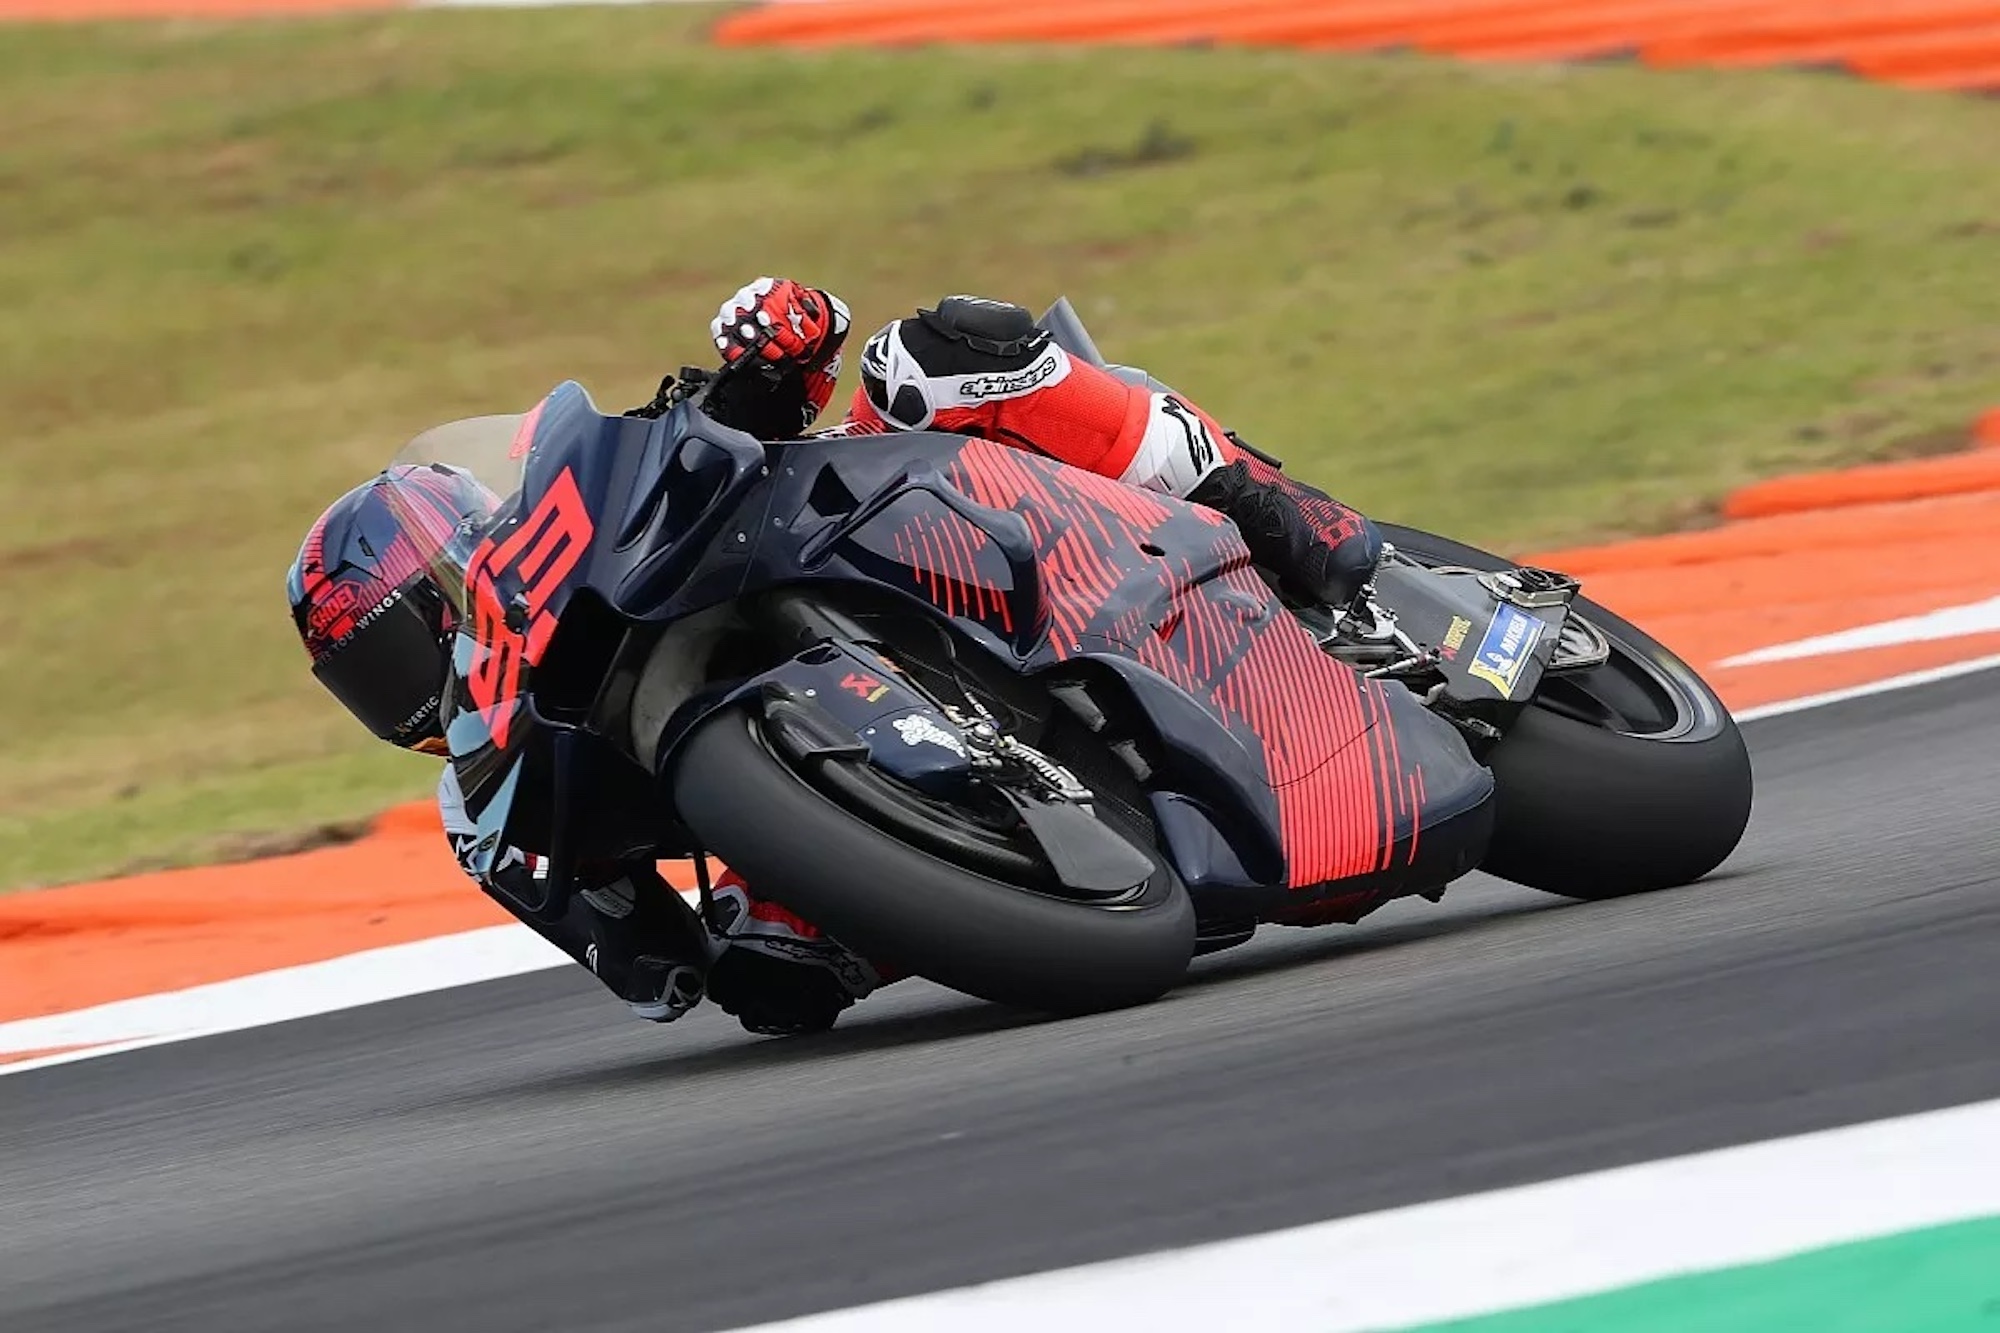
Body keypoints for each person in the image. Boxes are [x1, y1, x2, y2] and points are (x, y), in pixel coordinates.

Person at [287, 278, 1382, 1037]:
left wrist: (779, 341)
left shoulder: (599, 511)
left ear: (457, 565)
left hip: (923, 529)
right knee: (777, 976)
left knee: (930, 354)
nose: (394, 692)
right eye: (364, 681)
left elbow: (760, 392)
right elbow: (657, 972)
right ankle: (967, 855)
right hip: (831, 821)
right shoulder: (489, 816)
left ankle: (1257, 497)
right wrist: (713, 940)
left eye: (391, 644)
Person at [642, 277, 1382, 609]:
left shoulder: (858, 425)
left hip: (1069, 526)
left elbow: (860, 409)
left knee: (921, 358)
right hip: (957, 612)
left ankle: (1262, 499)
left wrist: (769, 371)